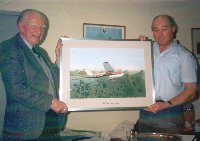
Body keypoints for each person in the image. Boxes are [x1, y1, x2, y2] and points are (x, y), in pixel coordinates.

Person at [0, 9, 68, 141]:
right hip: (25, 128)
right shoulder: (8, 47)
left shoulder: (41, 51)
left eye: (43, 27)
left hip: (50, 122)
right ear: (21, 26)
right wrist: (51, 102)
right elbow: (16, 89)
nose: (39, 32)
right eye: (34, 27)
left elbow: (51, 81)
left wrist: (59, 59)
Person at [135, 15, 198, 134]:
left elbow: (191, 91)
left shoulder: (185, 56)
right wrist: (135, 47)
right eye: (155, 30)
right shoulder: (145, 48)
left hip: (170, 114)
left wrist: (165, 105)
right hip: (145, 111)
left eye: (164, 29)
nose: (160, 34)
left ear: (173, 29)